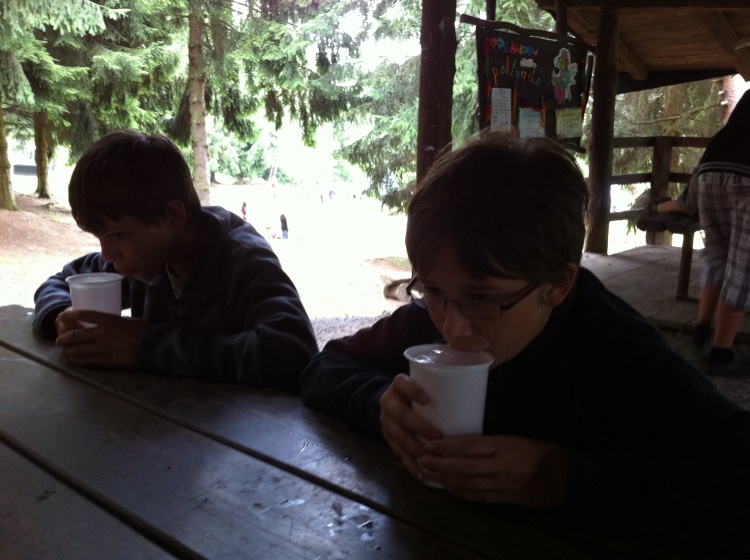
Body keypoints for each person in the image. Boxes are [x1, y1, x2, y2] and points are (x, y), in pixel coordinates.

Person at [300, 133, 750, 554]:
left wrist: (561, 479)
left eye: (482, 298)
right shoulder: (432, 316)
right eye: (432, 290)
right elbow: (324, 366)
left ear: (557, 285)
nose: (452, 328)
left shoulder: (616, 353)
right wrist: (378, 404)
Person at [33, 130, 317, 393]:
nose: (107, 255)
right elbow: (59, 282)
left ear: (173, 217)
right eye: (99, 236)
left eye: (117, 235)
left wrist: (142, 345)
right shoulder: (142, 261)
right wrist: (63, 317)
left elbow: (294, 354)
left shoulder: (244, 262)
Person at [691, 89, 750, 374]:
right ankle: (720, 355)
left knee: (717, 257)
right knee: (742, 267)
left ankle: (701, 330)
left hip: (710, 169)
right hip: (746, 176)